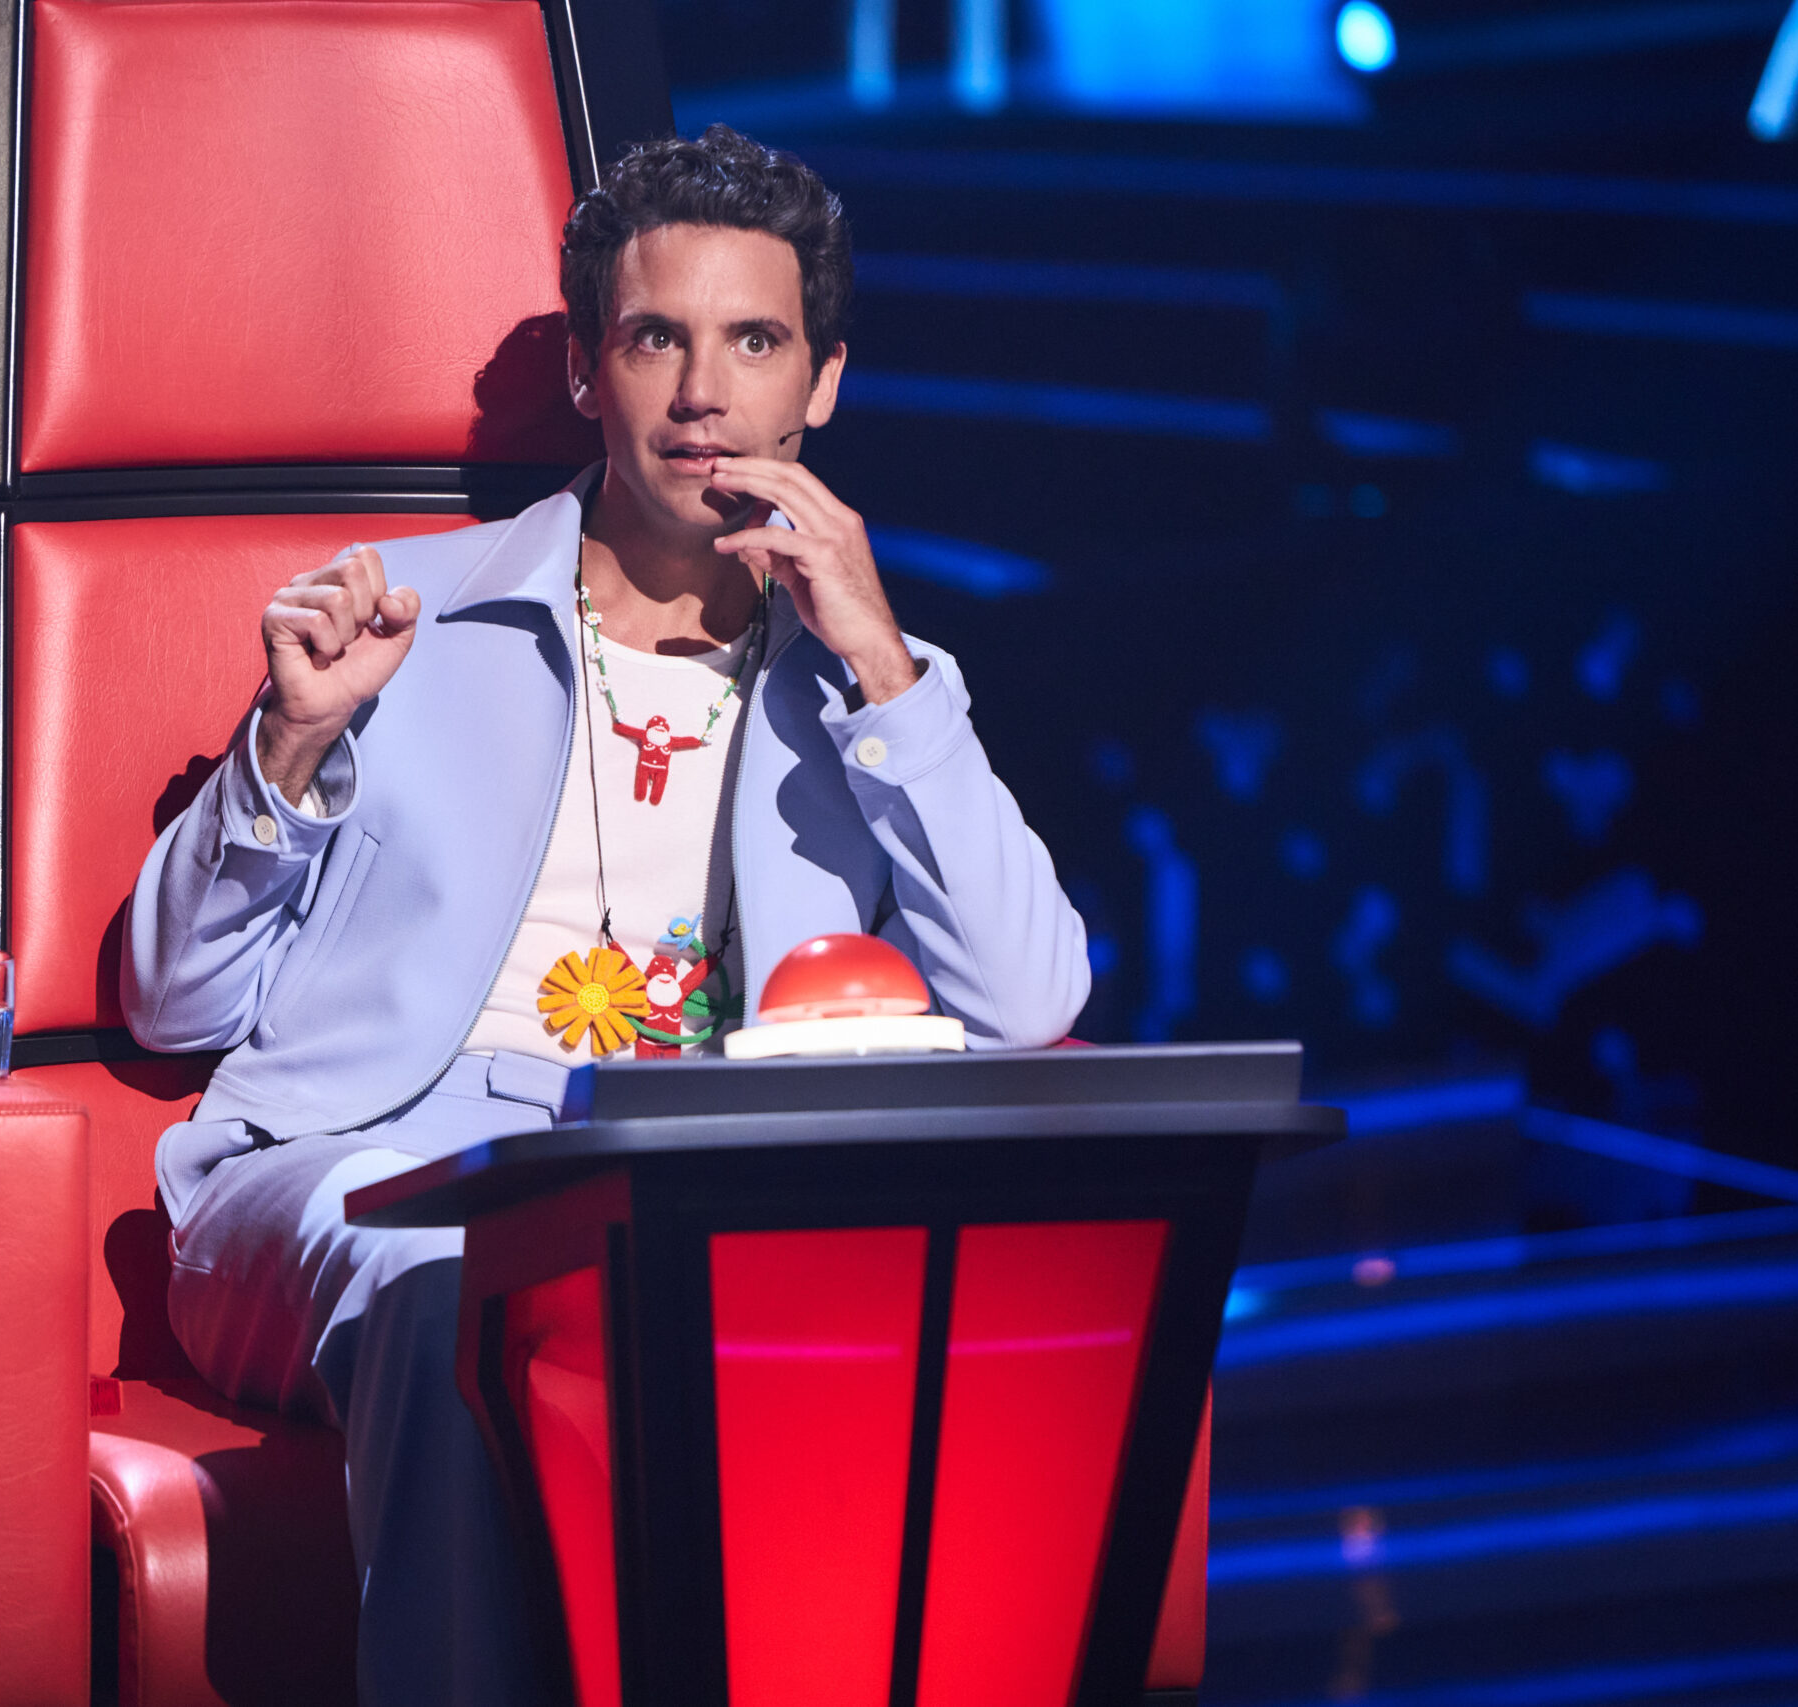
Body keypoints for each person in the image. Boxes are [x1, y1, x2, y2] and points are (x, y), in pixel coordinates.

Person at [122, 123, 1090, 1707]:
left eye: (754, 341)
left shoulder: (867, 691)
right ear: (588, 372)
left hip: (681, 1186)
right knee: (447, 1280)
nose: (704, 394)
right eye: (656, 339)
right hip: (368, 1169)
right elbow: (173, 1002)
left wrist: (883, 663)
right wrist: (288, 743)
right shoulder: (405, 614)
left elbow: (1031, 996)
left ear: (824, 382)